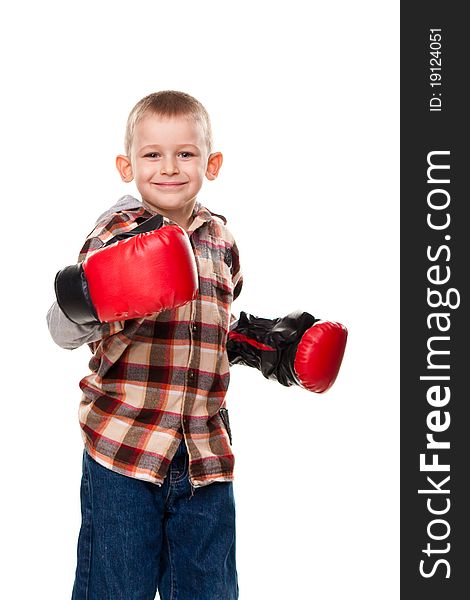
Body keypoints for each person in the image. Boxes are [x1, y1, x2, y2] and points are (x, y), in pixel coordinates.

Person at [47, 90, 347, 600]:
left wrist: (264, 346)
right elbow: (62, 328)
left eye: (185, 153)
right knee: (115, 590)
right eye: (152, 154)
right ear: (127, 165)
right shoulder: (115, 234)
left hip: (205, 455)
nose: (169, 167)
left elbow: (211, 327)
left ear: (212, 162)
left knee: (210, 591)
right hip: (124, 448)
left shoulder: (222, 239)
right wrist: (98, 291)